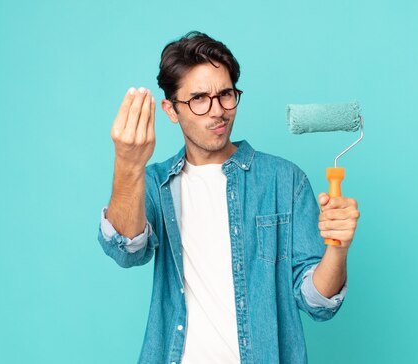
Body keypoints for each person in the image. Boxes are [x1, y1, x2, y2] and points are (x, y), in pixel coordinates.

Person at [98, 31, 360, 364]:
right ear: (171, 109)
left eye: (226, 94)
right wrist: (128, 164)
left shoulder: (284, 180)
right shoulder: (154, 183)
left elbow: (316, 302)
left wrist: (338, 247)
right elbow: (127, 249)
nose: (218, 110)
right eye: (199, 98)